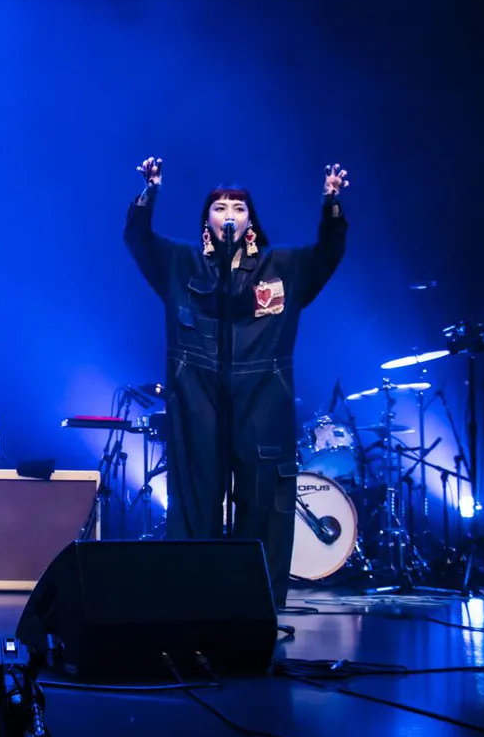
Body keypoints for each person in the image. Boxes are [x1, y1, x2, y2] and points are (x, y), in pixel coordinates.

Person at [124, 158, 349, 608]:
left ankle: (256, 608)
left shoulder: (281, 264)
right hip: (198, 395)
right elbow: (138, 239)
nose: (229, 213)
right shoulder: (180, 262)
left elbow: (328, 254)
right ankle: (192, 607)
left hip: (264, 395)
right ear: (207, 219)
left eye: (239, 208)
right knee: (195, 500)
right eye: (220, 206)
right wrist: (150, 193)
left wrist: (331, 204)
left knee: (262, 502)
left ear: (250, 220)